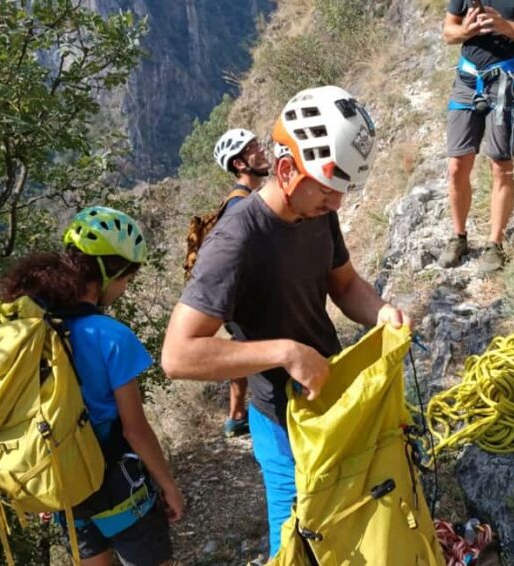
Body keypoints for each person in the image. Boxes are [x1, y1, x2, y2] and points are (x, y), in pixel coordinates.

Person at [161, 85, 410, 558]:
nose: (336, 204)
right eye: (327, 189)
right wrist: (285, 352)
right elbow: (178, 354)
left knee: (349, 514)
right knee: (297, 536)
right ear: (285, 169)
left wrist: (382, 312)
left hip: (328, 397)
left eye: (342, 190)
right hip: (279, 417)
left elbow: (345, 286)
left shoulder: (316, 210)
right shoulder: (235, 242)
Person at [0, 206, 184, 566]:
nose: (125, 289)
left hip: (66, 490)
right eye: (126, 279)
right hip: (117, 485)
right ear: (107, 274)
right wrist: (168, 485)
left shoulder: (37, 334)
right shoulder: (111, 336)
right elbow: (134, 430)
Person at [439, 0, 514, 272]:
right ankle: (458, 237)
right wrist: (465, 31)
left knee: (501, 166)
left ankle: (495, 243)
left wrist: (506, 27)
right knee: (457, 165)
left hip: (508, 80)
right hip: (467, 80)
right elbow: (448, 32)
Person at [212, 128, 273, 437]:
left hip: (239, 303)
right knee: (258, 359)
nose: (262, 150)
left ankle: (236, 417)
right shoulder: (241, 206)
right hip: (249, 303)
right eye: (252, 148)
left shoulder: (241, 201)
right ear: (239, 164)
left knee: (243, 352)